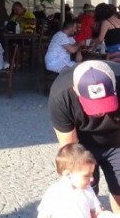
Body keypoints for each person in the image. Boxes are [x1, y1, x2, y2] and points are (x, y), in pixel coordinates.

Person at [49, 60, 120, 213]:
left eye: (104, 104)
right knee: (83, 195)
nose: (99, 113)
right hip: (82, 145)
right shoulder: (61, 96)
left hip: (117, 142)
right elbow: (70, 149)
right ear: (76, 90)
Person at [37, 143, 115, 218]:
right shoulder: (54, 193)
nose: (92, 179)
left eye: (92, 174)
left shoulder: (87, 189)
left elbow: (96, 211)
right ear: (68, 175)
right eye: (87, 175)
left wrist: (104, 215)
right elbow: (43, 215)